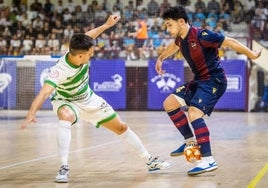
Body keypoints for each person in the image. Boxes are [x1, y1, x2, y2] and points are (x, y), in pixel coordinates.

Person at [20, 15, 171, 183]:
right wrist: (31, 114)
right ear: (79, 56)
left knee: (121, 127)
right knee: (66, 116)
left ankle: (150, 160)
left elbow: (89, 36)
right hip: (66, 101)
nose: (91, 55)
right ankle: (63, 166)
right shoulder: (60, 70)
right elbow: (44, 93)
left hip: (88, 98)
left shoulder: (78, 49)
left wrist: (106, 25)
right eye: (90, 54)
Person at [155, 6, 262, 176]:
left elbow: (230, 42)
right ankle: (190, 142)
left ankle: (208, 160)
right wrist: (160, 58)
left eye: (169, 25)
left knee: (194, 113)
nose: (168, 29)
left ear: (181, 22)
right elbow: (173, 47)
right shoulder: (180, 39)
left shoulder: (201, 35)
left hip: (215, 80)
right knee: (169, 103)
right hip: (199, 81)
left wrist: (252, 54)